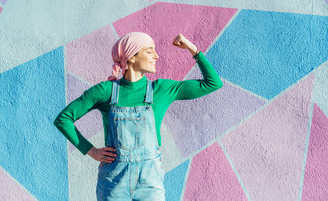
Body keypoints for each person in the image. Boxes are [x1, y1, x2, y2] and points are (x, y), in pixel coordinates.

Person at [54, 32, 223, 200]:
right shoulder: (105, 91)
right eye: (150, 51)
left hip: (150, 184)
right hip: (113, 183)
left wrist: (192, 49)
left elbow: (213, 83)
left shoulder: (161, 89)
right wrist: (90, 150)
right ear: (131, 57)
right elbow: (63, 119)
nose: (156, 56)